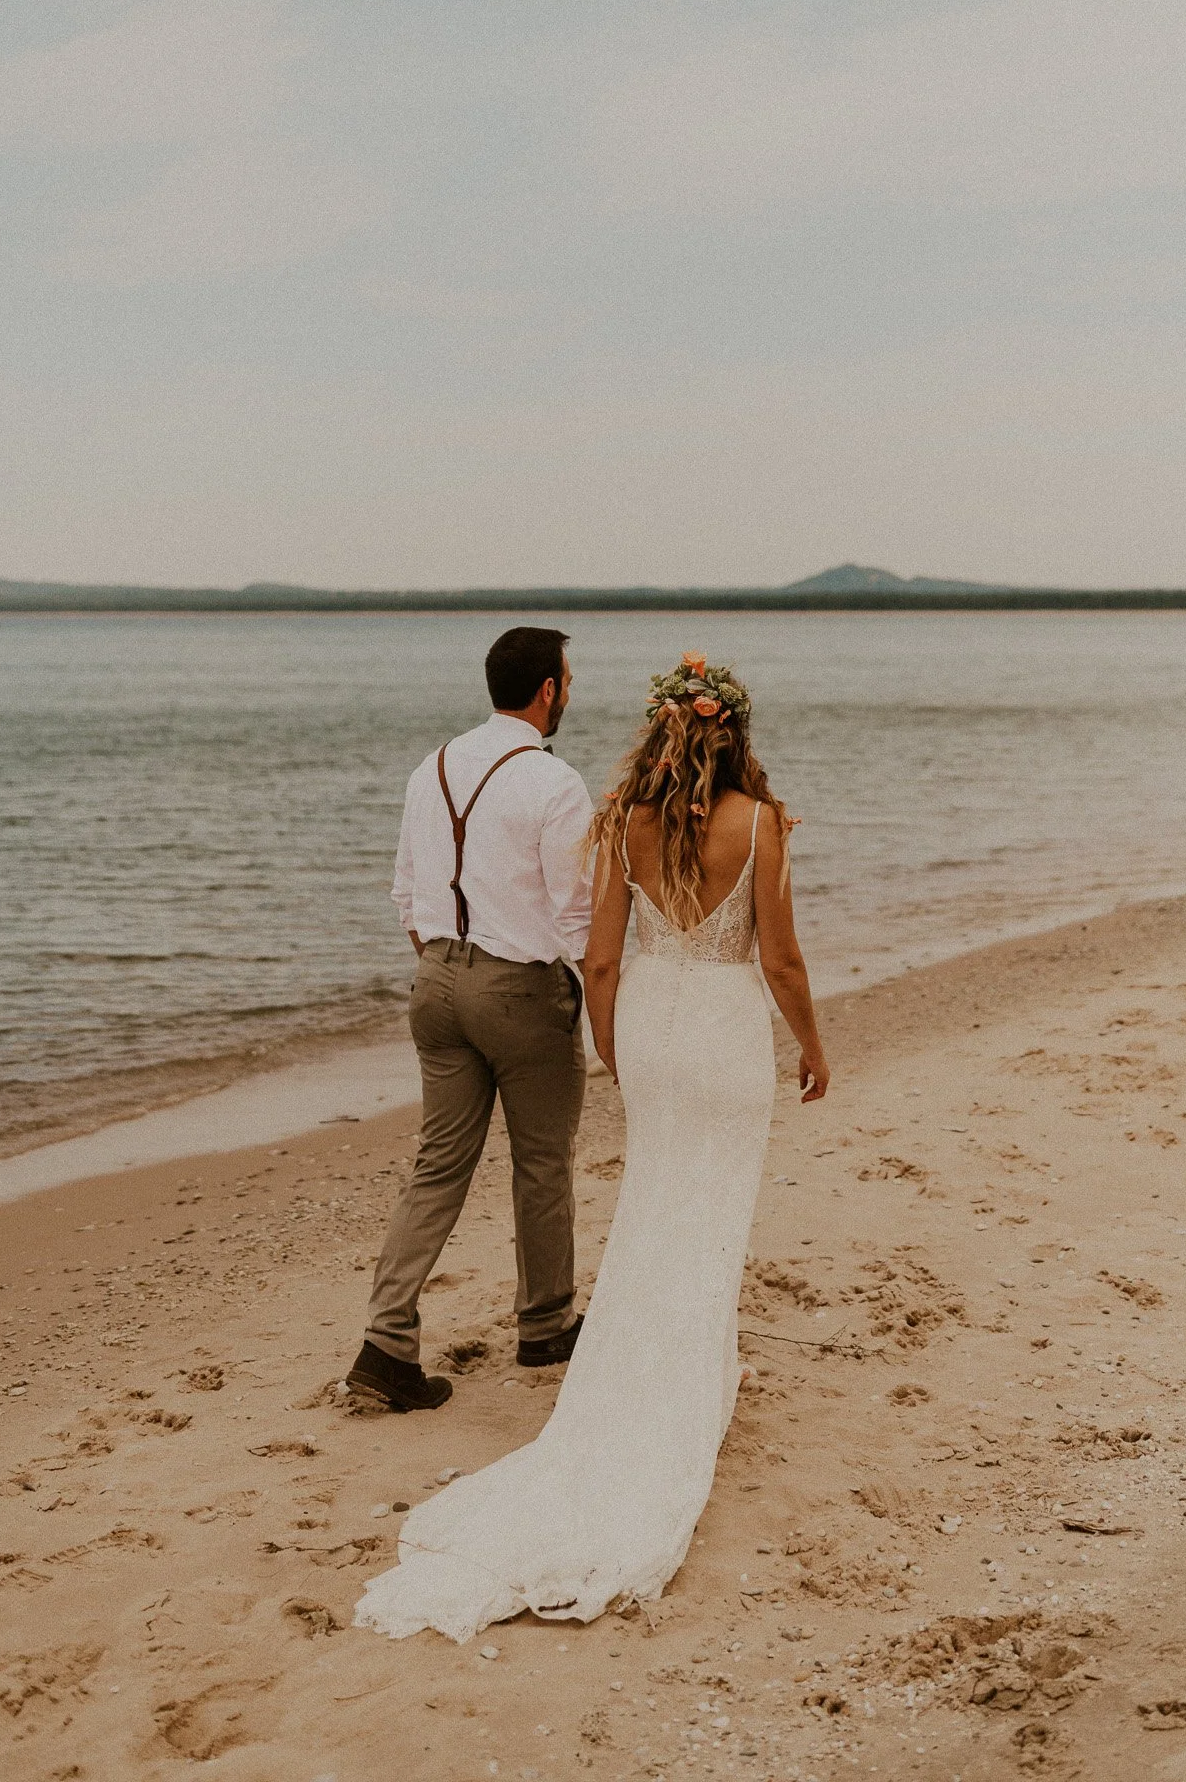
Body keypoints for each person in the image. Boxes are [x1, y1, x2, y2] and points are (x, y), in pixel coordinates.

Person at [354, 652, 830, 1642]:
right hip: (723, 1031)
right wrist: (816, 1043)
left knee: (652, 1195)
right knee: (709, 1204)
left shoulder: (622, 822)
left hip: (648, 1026)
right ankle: (683, 1364)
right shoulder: (765, 824)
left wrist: (613, 1043)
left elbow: (604, 955)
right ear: (734, 732)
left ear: (659, 732)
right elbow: (778, 956)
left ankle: (608, 1358)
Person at [344, 626, 594, 1414]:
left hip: (436, 982)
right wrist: (605, 995)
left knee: (437, 1167)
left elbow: (404, 891)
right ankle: (545, 1326)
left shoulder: (434, 766)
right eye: (568, 680)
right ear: (548, 690)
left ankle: (385, 1347)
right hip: (519, 991)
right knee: (541, 1161)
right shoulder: (555, 784)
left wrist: (444, 959)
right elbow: (576, 914)